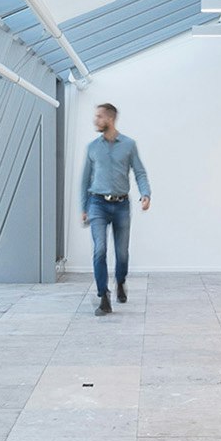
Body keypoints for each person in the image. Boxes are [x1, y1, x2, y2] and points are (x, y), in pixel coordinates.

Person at [79, 102, 149, 315]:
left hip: (121, 205)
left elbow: (139, 172)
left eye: (99, 116)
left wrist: (146, 194)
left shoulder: (128, 145)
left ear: (110, 119)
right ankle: (103, 296)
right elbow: (85, 180)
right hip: (97, 204)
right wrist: (84, 207)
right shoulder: (92, 147)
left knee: (122, 252)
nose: (95, 120)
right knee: (99, 249)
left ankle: (120, 281)